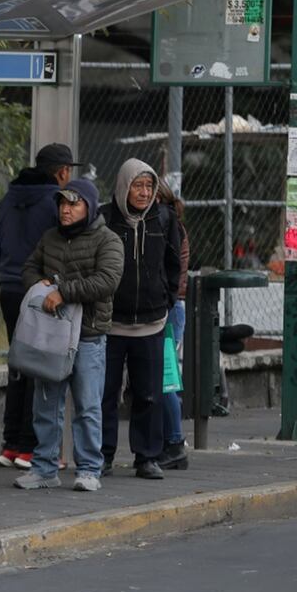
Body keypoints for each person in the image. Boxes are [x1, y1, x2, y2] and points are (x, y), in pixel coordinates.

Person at [13, 179, 124, 491]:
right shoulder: (50, 238)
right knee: (45, 404)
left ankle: (89, 469)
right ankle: (44, 468)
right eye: (62, 203)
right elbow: (29, 270)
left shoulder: (108, 240)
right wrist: (42, 287)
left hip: (88, 336)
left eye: (73, 204)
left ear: (88, 206)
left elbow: (107, 280)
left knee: (87, 405)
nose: (65, 209)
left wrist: (64, 292)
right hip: (52, 335)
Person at [0, 143, 80, 471]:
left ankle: (11, 443)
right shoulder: (53, 204)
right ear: (62, 172)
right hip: (42, 290)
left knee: (18, 363)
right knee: (40, 366)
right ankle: (31, 447)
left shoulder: (7, 200)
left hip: (9, 289)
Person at [99, 160, 181, 480]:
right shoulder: (105, 219)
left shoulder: (164, 218)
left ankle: (146, 456)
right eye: (138, 186)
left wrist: (167, 298)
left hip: (152, 322)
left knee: (149, 393)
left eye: (149, 186)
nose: (144, 193)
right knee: (105, 393)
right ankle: (102, 455)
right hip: (110, 322)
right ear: (124, 187)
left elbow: (175, 264)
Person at [156, 183, 190, 470]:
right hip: (172, 306)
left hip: (168, 308)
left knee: (165, 377)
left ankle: (175, 442)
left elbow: (171, 272)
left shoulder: (167, 226)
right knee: (164, 376)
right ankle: (170, 440)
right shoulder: (172, 223)